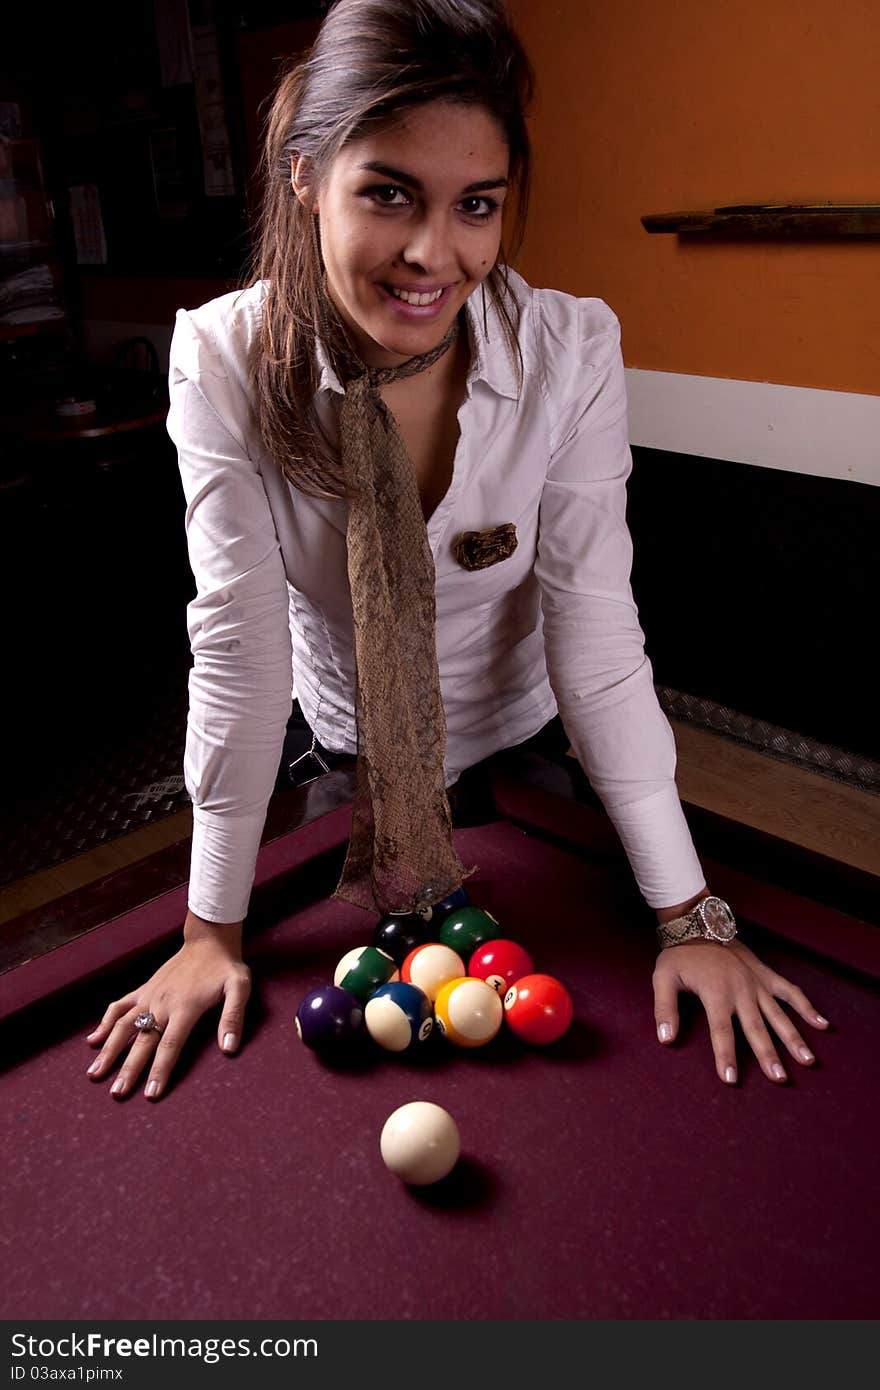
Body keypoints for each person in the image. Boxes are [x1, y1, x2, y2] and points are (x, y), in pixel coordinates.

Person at [85, 0, 828, 1101]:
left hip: (528, 750)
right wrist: (210, 930)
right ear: (304, 177)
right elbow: (242, 654)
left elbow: (596, 634)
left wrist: (691, 913)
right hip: (340, 758)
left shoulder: (569, 351)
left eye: (475, 205)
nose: (435, 254)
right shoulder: (225, 360)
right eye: (388, 193)